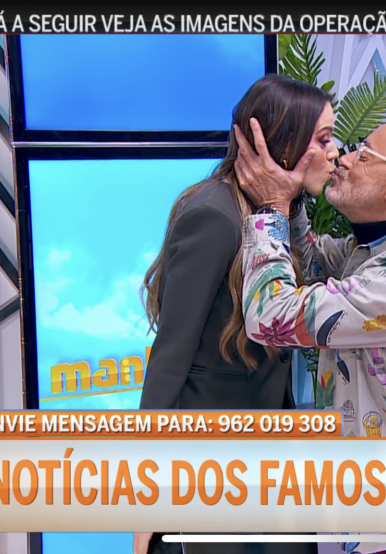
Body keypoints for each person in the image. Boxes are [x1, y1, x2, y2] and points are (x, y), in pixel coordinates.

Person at [232, 120, 386, 554]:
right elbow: (314, 265)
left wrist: (271, 207)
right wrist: (292, 198)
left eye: (364, 155)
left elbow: (270, 315)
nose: (343, 158)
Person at [133, 74, 337, 554]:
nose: (335, 153)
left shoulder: (275, 213)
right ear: (281, 142)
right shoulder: (215, 215)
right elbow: (171, 356)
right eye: (323, 139)